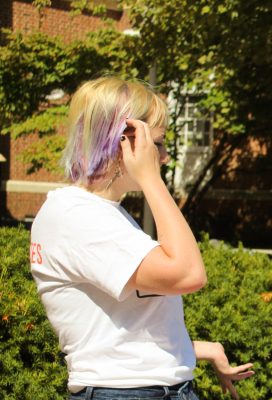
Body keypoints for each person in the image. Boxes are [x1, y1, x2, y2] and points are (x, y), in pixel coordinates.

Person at [29, 77, 254, 400]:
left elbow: (119, 330)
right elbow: (188, 274)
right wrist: (151, 180)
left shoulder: (105, 214)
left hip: (150, 389)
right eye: (158, 143)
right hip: (127, 392)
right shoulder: (74, 217)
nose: (163, 156)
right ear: (124, 140)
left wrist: (202, 349)